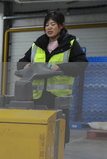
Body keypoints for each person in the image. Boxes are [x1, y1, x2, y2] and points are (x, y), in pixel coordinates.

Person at [18, 11, 88, 142]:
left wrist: (62, 67)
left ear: (61, 26)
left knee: (58, 138)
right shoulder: (37, 45)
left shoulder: (70, 44)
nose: (48, 28)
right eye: (46, 25)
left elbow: (82, 64)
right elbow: (21, 61)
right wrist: (25, 65)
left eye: (52, 24)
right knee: (38, 136)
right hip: (37, 98)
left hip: (58, 99)